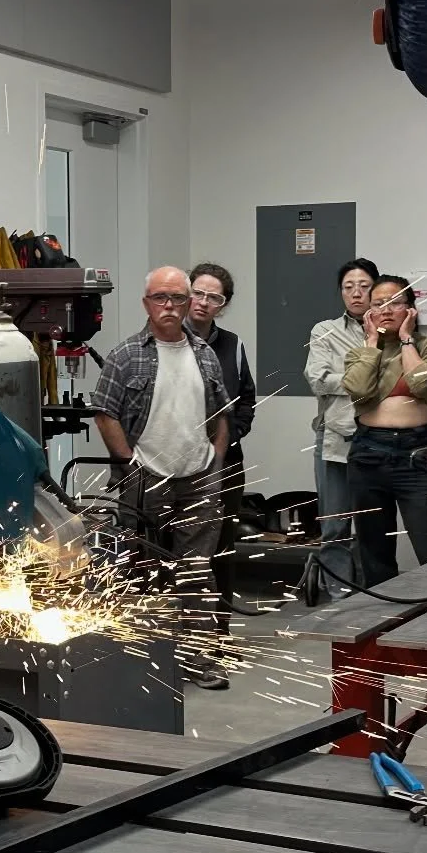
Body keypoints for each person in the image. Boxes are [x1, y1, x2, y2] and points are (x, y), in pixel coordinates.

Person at [92, 266, 231, 690]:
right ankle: (140, 659)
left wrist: (216, 461)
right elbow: (105, 411)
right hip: (144, 477)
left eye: (177, 298)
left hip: (198, 477)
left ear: (190, 303)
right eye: (160, 298)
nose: (169, 306)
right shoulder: (126, 355)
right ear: (146, 303)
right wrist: (129, 459)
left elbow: (222, 414)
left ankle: (197, 659)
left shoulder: (204, 353)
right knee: (139, 568)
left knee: (195, 570)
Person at [342, 275, 427, 587]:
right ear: (368, 313)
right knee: (373, 551)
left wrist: (406, 340)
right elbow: (359, 390)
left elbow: (422, 383)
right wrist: (372, 343)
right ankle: (379, 624)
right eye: (378, 304)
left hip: (417, 455)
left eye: (395, 303)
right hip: (368, 455)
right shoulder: (359, 352)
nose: (386, 309)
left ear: (411, 310)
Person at [186, 262, 257, 634]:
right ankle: (179, 636)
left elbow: (246, 398)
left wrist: (232, 435)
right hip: (174, 465)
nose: (203, 302)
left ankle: (219, 634)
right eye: (198, 293)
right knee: (177, 547)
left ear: (223, 304)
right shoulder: (165, 339)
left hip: (224, 463)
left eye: (214, 297)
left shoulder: (233, 345)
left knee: (221, 547)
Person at [304, 259, 378, 598]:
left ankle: (373, 594)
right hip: (336, 437)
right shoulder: (325, 330)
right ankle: (339, 597)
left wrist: (350, 379)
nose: (356, 292)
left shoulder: (388, 328)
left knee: (373, 525)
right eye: (348, 286)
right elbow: (317, 379)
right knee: (335, 525)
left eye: (363, 285)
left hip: (380, 440)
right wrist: (363, 381)